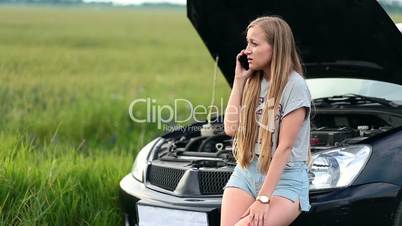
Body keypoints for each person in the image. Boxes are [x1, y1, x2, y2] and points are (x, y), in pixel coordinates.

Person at [221, 16, 312, 226]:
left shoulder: (294, 86)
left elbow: (285, 147)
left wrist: (263, 198)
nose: (246, 50)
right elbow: (230, 128)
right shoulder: (253, 80)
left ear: (275, 48)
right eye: (247, 43)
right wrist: (239, 79)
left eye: (254, 43)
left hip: (285, 179)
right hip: (247, 171)